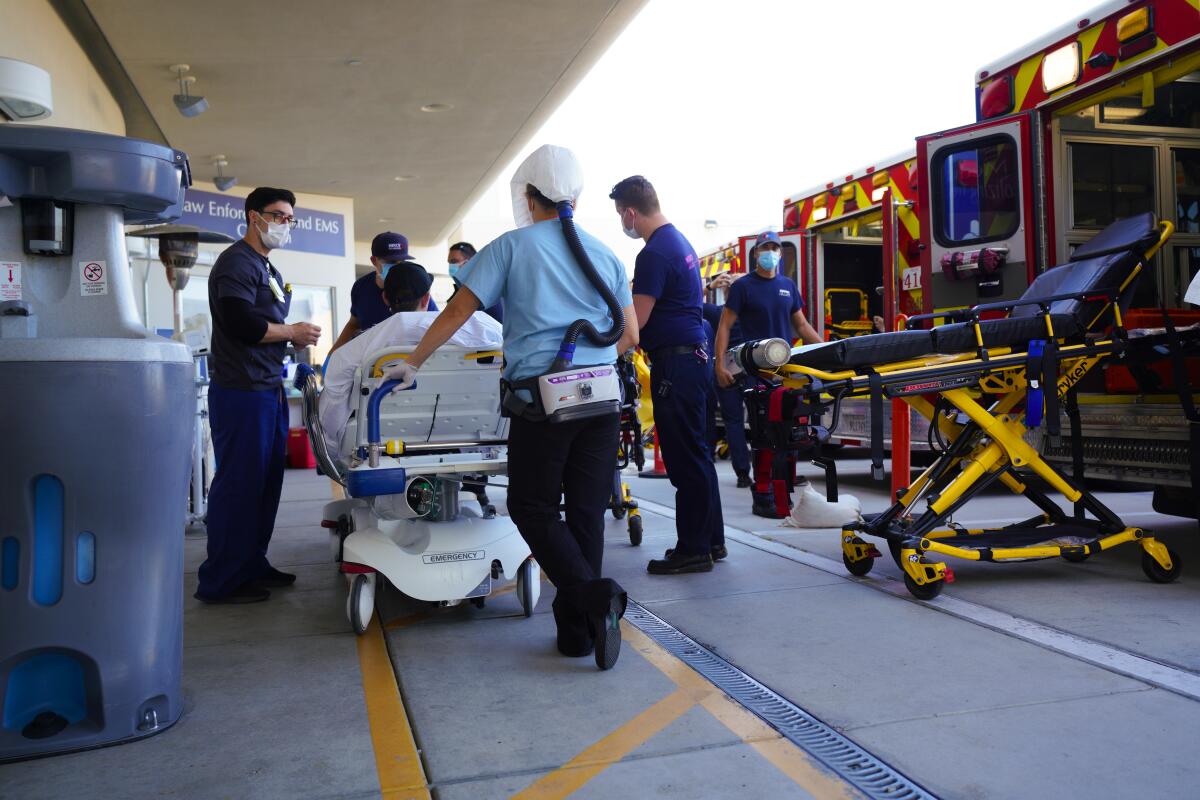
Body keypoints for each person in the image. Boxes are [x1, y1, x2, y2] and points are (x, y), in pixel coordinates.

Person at [385, 145, 638, 671]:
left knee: (532, 507)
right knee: (586, 514)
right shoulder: (607, 254)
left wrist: (413, 361)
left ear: (528, 196)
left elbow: (458, 308)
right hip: (602, 401)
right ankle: (579, 635)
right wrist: (587, 364)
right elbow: (629, 336)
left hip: (541, 403)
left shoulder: (511, 247)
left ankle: (594, 599)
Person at [196, 187, 322, 604]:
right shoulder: (236, 262)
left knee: (266, 483)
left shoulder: (263, 265)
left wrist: (290, 342)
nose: (286, 225)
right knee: (239, 484)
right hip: (241, 391)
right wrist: (292, 332)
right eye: (279, 216)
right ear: (255, 217)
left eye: (291, 219)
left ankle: (251, 562)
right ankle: (221, 579)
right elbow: (241, 324)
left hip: (266, 388)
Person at [611, 175, 725, 575]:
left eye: (620, 216)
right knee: (698, 453)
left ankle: (693, 549)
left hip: (675, 365)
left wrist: (602, 356)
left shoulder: (654, 253)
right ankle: (712, 540)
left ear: (629, 211)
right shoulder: (679, 242)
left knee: (683, 459)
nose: (622, 223)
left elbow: (634, 327)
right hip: (693, 358)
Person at [318, 262, 502, 455]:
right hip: (465, 436)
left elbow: (334, 403)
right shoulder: (483, 328)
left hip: (378, 442)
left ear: (385, 299)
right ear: (426, 298)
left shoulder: (366, 345)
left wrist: (334, 447)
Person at [714, 231, 823, 518]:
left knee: (789, 434)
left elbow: (801, 325)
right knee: (765, 434)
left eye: (775, 248)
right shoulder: (744, 287)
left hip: (786, 373)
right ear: (756, 253)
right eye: (766, 248)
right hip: (757, 373)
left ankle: (781, 493)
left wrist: (827, 351)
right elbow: (724, 326)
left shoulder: (788, 286)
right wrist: (720, 366)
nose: (771, 252)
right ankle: (762, 493)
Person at [329, 231, 437, 353]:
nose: (397, 266)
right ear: (374, 261)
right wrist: (332, 355)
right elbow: (353, 324)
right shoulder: (361, 288)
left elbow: (438, 325)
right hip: (372, 362)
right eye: (391, 261)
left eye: (401, 261)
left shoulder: (414, 282)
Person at [702, 294, 751, 488]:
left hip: (727, 372)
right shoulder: (753, 312)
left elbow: (692, 303)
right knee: (759, 422)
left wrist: (709, 287)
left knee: (733, 422)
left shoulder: (718, 312)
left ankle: (742, 473)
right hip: (751, 371)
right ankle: (768, 472)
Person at [447, 241, 503, 323]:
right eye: (449, 262)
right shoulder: (459, 291)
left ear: (469, 262)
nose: (451, 266)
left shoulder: (486, 292)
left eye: (454, 261)